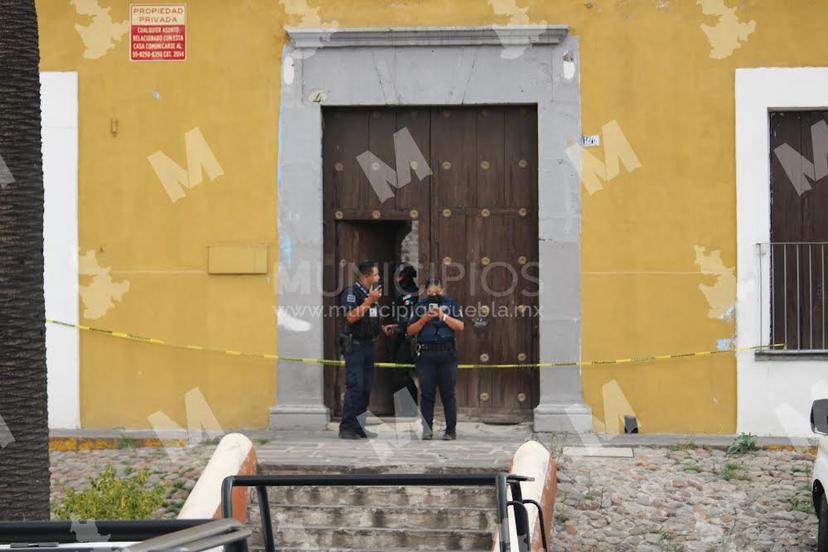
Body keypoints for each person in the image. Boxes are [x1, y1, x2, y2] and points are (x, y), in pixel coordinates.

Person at [406, 278, 464, 440]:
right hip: (426, 356)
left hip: (447, 355)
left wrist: (443, 316)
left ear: (443, 290)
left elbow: (460, 326)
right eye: (430, 293)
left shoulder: (451, 304)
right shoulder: (420, 307)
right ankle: (427, 430)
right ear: (425, 292)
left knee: (448, 394)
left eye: (437, 292)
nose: (434, 296)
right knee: (427, 394)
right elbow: (410, 330)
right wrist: (424, 319)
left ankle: (450, 431)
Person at [338, 260, 382, 439]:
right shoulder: (351, 293)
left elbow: (370, 318)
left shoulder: (370, 293)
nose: (378, 277)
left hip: (368, 345)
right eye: (376, 274)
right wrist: (369, 301)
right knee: (355, 386)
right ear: (366, 276)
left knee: (365, 388)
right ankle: (347, 427)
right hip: (355, 346)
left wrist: (382, 328)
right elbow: (350, 317)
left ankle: (359, 426)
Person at [381, 264, 420, 415]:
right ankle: (407, 408)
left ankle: (410, 408)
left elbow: (408, 318)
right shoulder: (403, 293)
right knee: (400, 373)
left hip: (409, 339)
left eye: (400, 275)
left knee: (402, 373)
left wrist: (397, 328)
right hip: (403, 336)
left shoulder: (410, 294)